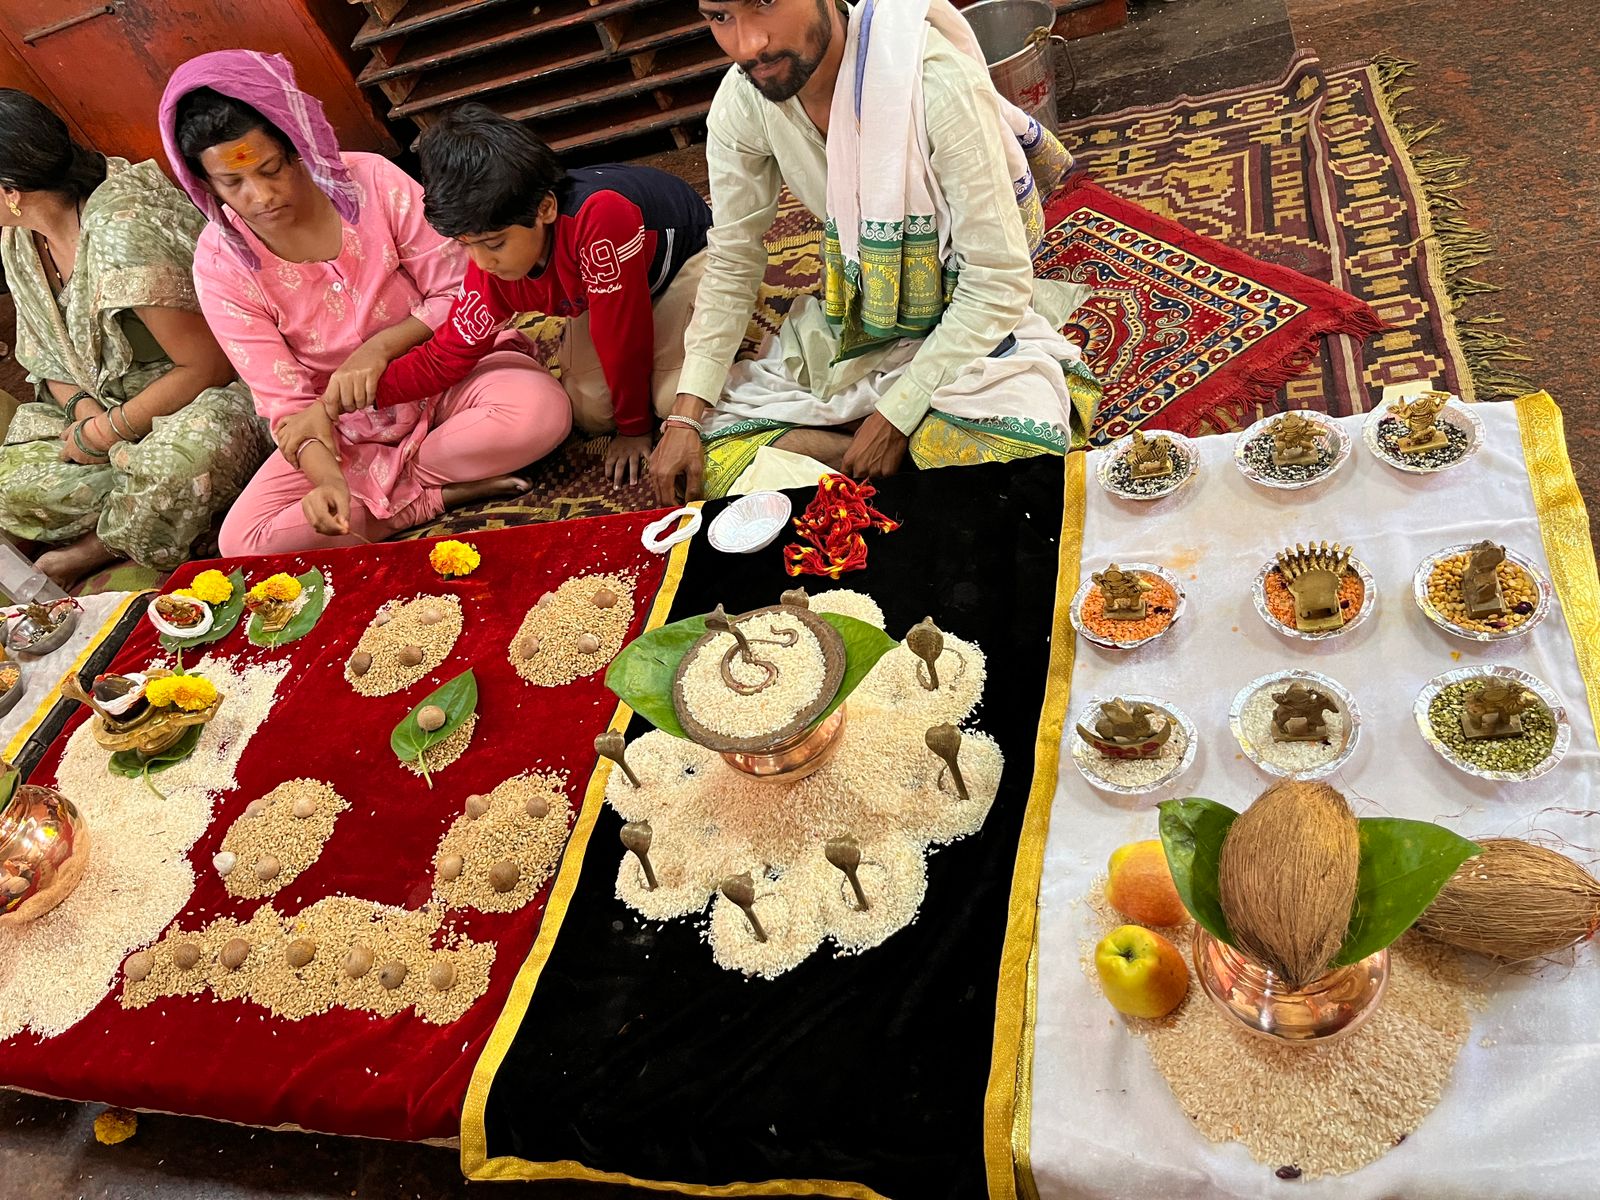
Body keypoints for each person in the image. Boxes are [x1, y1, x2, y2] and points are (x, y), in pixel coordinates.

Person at [649, 0, 1100, 504]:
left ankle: (885, 448)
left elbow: (997, 281)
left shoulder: (935, 82)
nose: (748, 44)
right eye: (720, 18)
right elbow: (733, 258)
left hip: (970, 318)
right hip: (868, 313)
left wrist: (895, 416)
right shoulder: (745, 100)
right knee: (709, 460)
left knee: (1015, 467)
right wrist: (685, 417)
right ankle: (872, 459)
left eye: (764, 3)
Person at [158, 51, 571, 556]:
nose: (260, 196)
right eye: (232, 183)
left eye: (269, 169)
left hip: (452, 370)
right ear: (202, 182)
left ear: (296, 145)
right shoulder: (221, 265)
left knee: (541, 412)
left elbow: (460, 291)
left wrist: (378, 349)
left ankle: (396, 496)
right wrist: (326, 476)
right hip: (342, 430)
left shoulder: (372, 180)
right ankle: (433, 496)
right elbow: (287, 404)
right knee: (243, 542)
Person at [0, 90, 268, 588]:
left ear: (11, 189)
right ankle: (168, 510)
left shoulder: (123, 227)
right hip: (102, 407)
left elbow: (210, 366)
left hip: (203, 396)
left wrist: (105, 433)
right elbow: (49, 361)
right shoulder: (18, 241)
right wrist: (84, 413)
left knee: (177, 466)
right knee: (11, 488)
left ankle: (101, 545)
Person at [373, 104, 713, 486]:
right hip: (603, 288)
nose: (481, 263)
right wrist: (362, 394)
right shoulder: (490, 258)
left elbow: (622, 335)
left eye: (494, 244)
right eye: (465, 246)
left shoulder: (600, 216)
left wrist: (634, 430)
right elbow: (447, 355)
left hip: (687, 259)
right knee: (590, 413)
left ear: (546, 208)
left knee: (669, 402)